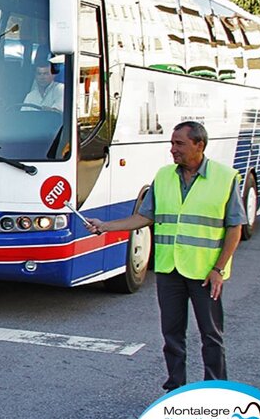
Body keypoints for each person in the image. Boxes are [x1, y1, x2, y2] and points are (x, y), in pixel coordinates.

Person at [85, 121, 243, 392]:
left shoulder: (224, 178)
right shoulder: (164, 176)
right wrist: (105, 226)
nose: (173, 150)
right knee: (172, 334)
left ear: (199, 145)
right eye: (171, 143)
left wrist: (218, 268)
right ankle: (176, 387)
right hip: (169, 270)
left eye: (179, 144)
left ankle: (216, 390)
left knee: (211, 336)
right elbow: (144, 217)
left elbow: (235, 227)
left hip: (205, 273)